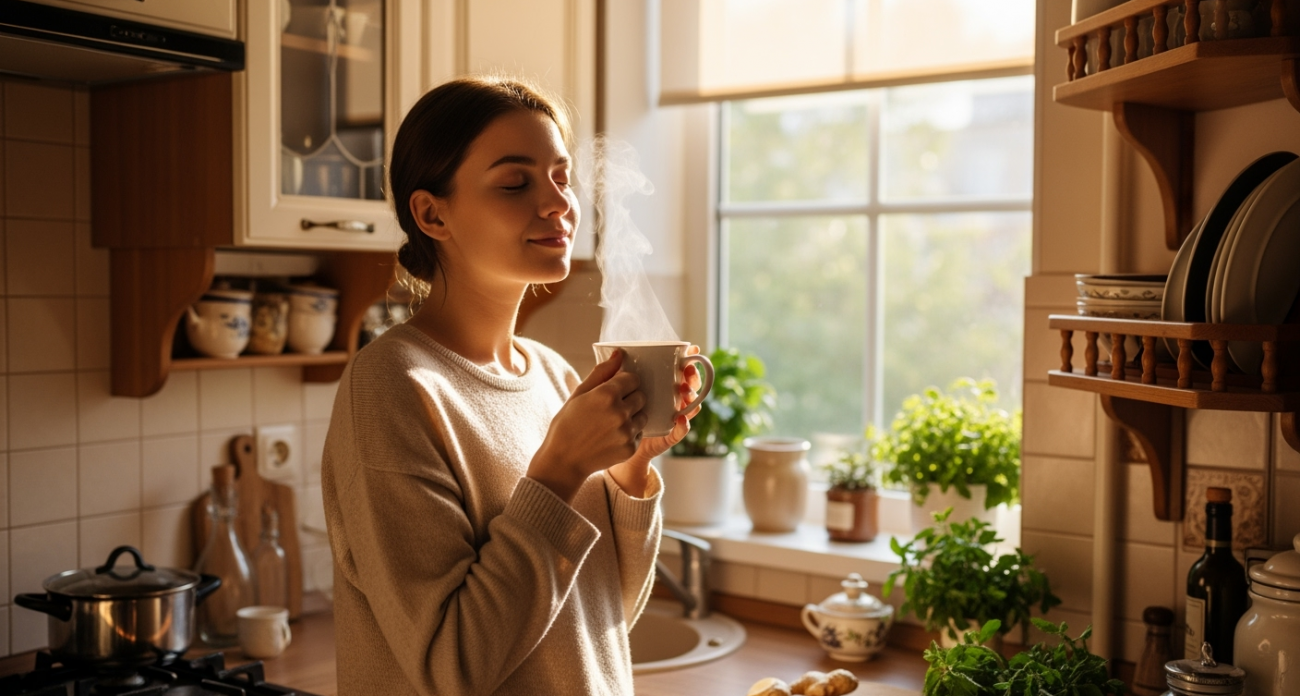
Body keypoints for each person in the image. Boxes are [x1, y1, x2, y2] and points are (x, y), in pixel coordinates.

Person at [320, 76, 701, 696]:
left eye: (561, 176)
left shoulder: (554, 375)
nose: (558, 204)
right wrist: (558, 469)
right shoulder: (393, 386)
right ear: (431, 213)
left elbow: (603, 620)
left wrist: (631, 470)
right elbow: (455, 668)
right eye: (515, 183)